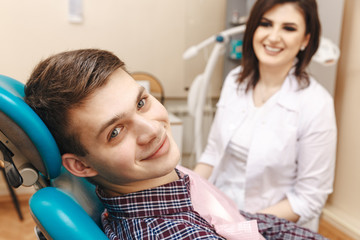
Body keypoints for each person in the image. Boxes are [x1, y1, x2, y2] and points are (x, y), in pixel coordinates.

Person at [24, 49, 327, 239]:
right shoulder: (171, 233)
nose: (152, 130)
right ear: (81, 165)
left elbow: (245, 220)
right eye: (115, 132)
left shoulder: (168, 183)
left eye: (142, 102)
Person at [194, 0, 337, 231]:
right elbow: (212, 155)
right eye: (266, 24)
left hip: (272, 225)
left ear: (305, 40)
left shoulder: (316, 103)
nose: (273, 37)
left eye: (288, 28)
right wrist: (187, 194)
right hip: (217, 215)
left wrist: (240, 224)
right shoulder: (234, 81)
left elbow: (309, 199)